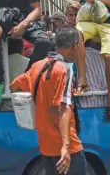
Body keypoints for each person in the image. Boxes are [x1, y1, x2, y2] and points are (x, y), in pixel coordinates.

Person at [10, 27, 85, 175]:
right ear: (75, 45)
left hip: (46, 146)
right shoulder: (64, 69)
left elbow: (14, 85)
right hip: (67, 148)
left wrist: (29, 108)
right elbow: (63, 108)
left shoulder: (36, 66)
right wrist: (66, 145)